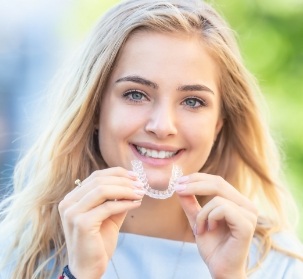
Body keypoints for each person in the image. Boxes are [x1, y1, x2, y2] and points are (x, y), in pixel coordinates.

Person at [0, 0, 302, 278]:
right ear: (94, 110)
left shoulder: (280, 264)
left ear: (219, 124)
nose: (162, 126)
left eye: (193, 101)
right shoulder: (16, 253)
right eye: (135, 94)